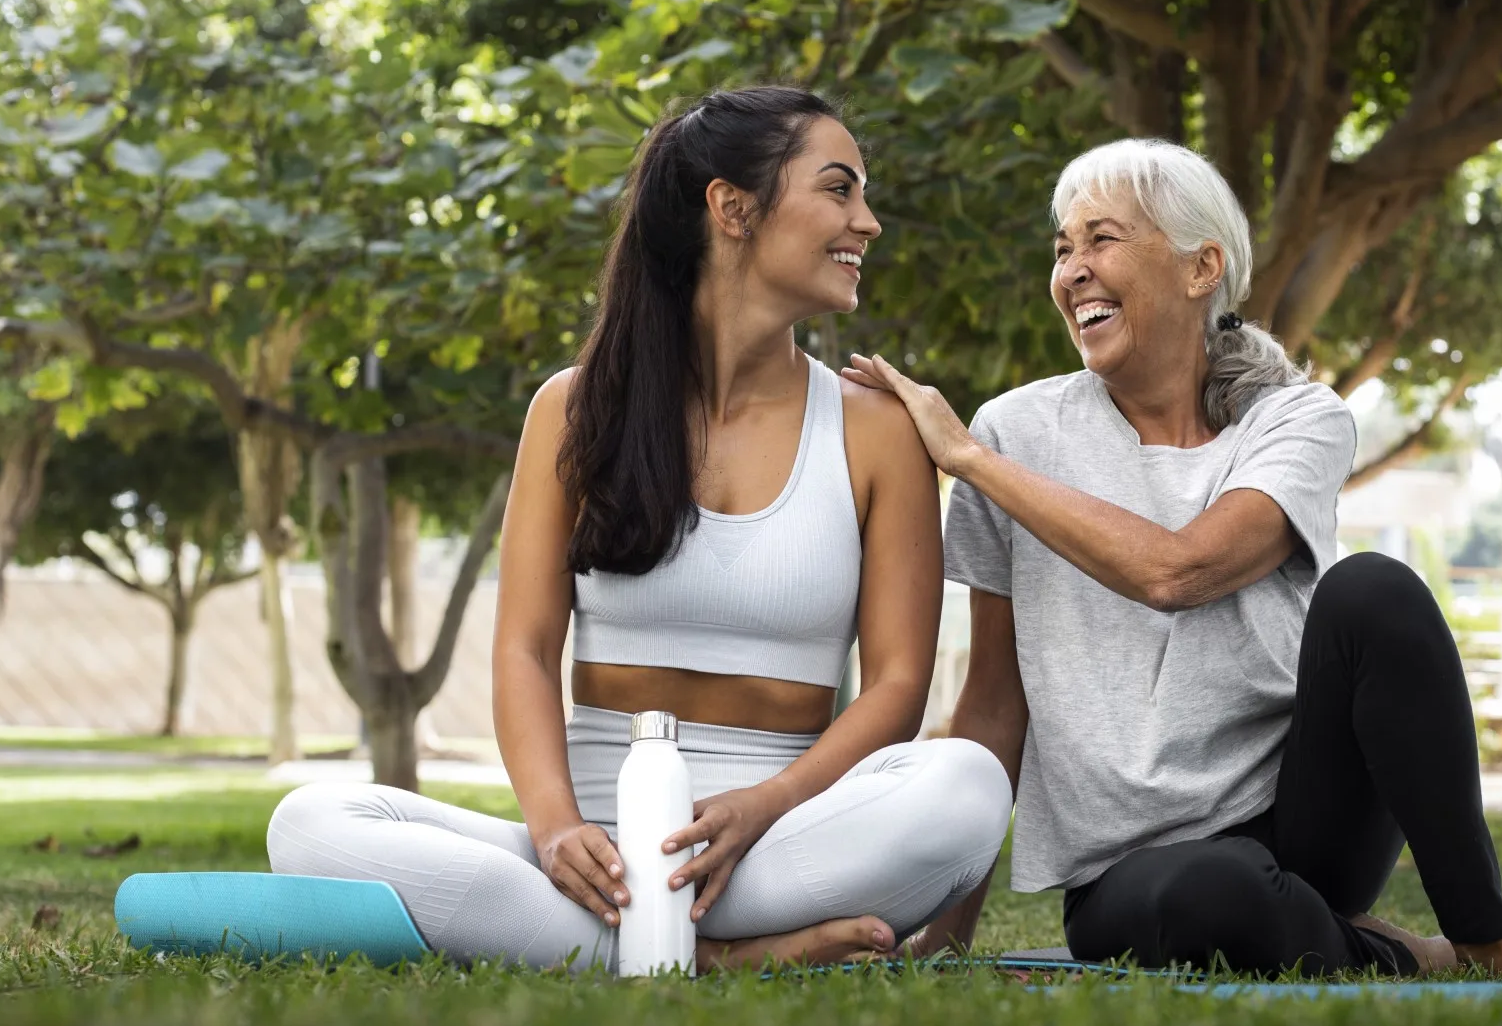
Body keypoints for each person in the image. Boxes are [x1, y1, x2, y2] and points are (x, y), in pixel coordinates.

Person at [848, 138, 1502, 982]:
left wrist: (970, 463)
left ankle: (1486, 941)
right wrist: (949, 932)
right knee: (1214, 897)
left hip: (1305, 821)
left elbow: (1178, 572)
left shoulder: (1296, 420)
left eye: (1102, 239)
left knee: (1376, 590)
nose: (1074, 270)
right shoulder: (1016, 431)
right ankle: (1405, 951)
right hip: (1133, 869)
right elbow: (995, 703)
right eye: (1063, 248)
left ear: (1202, 269)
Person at [268, 87, 1012, 973]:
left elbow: (897, 687)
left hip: (776, 843)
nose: (870, 221)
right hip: (594, 854)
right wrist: (552, 829)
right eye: (840, 190)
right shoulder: (573, 409)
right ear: (733, 208)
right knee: (310, 825)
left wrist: (761, 807)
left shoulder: (875, 427)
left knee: (966, 785)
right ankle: (721, 957)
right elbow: (525, 649)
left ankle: (610, 946)